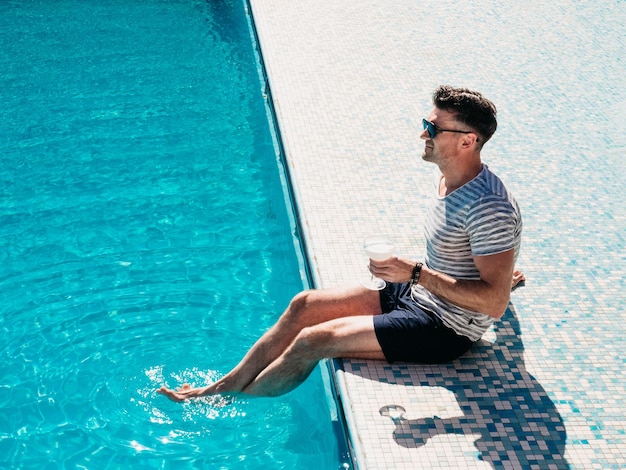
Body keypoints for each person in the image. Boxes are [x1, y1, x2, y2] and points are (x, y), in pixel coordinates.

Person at [158, 85, 524, 401]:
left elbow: (493, 303)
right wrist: (494, 273)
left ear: (467, 140)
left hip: (444, 327)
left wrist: (418, 273)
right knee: (303, 305)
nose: (422, 134)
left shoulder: (488, 206)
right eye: (425, 123)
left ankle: (229, 406)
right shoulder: (450, 179)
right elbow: (485, 273)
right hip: (417, 296)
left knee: (313, 340)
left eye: (432, 127)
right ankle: (224, 386)